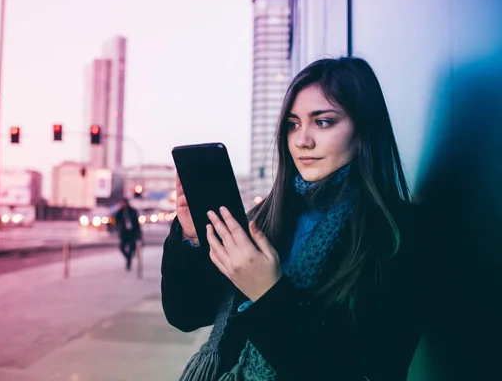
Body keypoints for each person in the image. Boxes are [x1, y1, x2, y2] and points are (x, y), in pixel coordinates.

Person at [161, 57, 427, 380]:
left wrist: (267, 293)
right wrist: (191, 238)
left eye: (323, 122)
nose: (302, 140)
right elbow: (187, 314)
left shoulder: (398, 233)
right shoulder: (268, 217)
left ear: (364, 129)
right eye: (293, 124)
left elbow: (370, 367)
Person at [114, 197, 142, 271]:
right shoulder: (120, 211)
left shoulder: (133, 211)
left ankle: (129, 261)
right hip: (124, 232)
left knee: (132, 248)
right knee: (122, 247)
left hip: (132, 232)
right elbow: (116, 220)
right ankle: (128, 258)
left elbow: (136, 223)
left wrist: (139, 234)